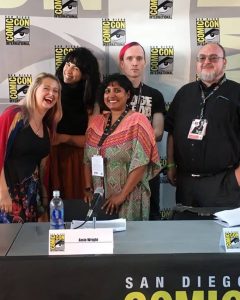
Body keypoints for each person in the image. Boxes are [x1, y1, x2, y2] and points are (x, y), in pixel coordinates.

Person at [165, 42, 240, 209]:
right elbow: (171, 132)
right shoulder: (184, 93)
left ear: (224, 62)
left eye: (213, 58)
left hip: (224, 183)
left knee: (219, 234)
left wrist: (236, 178)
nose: (207, 62)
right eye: (202, 58)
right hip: (186, 184)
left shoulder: (236, 93)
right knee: (188, 233)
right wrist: (170, 165)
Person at [84, 73, 161, 221]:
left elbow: (141, 163)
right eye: (107, 91)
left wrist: (121, 196)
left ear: (128, 95)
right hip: (99, 197)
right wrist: (87, 188)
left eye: (117, 90)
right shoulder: (95, 123)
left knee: (129, 241)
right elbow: (86, 159)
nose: (111, 95)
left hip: (129, 196)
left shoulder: (138, 121)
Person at [0, 72, 62, 223]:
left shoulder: (47, 129)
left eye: (55, 91)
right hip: (8, 193)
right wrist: (2, 193)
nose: (51, 93)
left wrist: (44, 201)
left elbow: (41, 168)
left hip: (32, 197)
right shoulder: (14, 115)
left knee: (28, 243)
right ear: (34, 90)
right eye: (46, 88)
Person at [119, 42, 166, 220]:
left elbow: (159, 132)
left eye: (139, 58)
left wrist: (130, 143)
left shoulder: (155, 95)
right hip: (118, 165)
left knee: (151, 213)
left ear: (145, 62)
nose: (135, 62)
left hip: (147, 166)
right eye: (129, 58)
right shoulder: (111, 93)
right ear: (122, 63)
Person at [50, 47, 101, 200]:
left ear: (85, 75)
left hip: (79, 160)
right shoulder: (52, 91)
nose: (68, 70)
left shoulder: (92, 100)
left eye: (76, 68)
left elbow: (92, 140)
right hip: (51, 156)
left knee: (77, 203)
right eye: (67, 64)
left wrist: (63, 138)